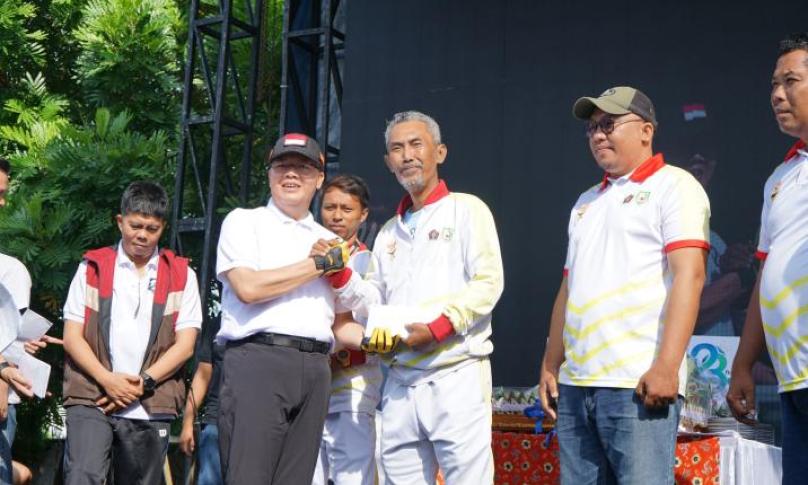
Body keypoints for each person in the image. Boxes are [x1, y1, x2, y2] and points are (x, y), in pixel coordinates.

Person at [538, 86, 709, 484]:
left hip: (636, 382)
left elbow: (690, 276)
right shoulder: (585, 202)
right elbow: (569, 287)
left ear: (646, 131)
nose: (598, 135)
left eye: (609, 124)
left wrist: (666, 367)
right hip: (576, 386)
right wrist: (550, 364)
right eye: (592, 128)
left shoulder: (675, 185)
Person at [214, 133, 392, 484]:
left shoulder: (329, 242)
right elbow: (249, 288)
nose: (292, 174)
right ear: (269, 173)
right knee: (249, 477)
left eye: (303, 167)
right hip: (259, 360)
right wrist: (318, 265)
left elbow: (339, 323)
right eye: (282, 166)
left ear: (319, 178)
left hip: (316, 368)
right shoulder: (244, 221)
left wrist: (381, 338)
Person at [341, 111, 504, 484]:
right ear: (388, 162)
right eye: (397, 148)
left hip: (456, 372)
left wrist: (439, 328)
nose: (407, 155)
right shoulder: (388, 232)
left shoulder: (468, 209)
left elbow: (488, 282)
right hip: (400, 380)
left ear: (440, 152)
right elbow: (375, 300)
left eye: (416, 144)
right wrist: (342, 280)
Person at [62, 181, 202, 485]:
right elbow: (72, 337)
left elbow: (186, 345)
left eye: (152, 228)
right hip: (92, 396)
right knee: (83, 475)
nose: (142, 235)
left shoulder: (182, 274)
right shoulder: (92, 267)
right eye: (135, 225)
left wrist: (143, 383)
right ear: (120, 221)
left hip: (150, 402)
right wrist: (107, 380)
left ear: (163, 228)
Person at [727, 33, 808, 484]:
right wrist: (743, 362)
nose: (777, 94)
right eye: (774, 85)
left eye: (790, 81)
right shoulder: (779, 177)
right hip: (793, 378)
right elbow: (766, 272)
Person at [312, 174, 383, 485]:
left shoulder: (371, 262)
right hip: (307, 384)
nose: (337, 216)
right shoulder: (305, 254)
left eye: (346, 209)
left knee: (352, 478)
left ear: (363, 214)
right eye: (330, 207)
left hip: (353, 384)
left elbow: (374, 313)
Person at [686, 154, 756, 336]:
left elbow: (741, 326)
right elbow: (678, 316)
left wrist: (742, 295)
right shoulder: (654, 233)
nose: (698, 157)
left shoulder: (715, 239)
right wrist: (740, 279)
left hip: (722, 353)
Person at [0, 158, 39, 485]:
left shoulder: (11, 270)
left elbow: (13, 340)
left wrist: (2, 387)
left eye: (3, 194)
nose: (2, 202)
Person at [179, 334, 224, 485]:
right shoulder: (216, 324)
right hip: (215, 420)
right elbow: (202, 375)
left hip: (260, 423)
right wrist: (187, 424)